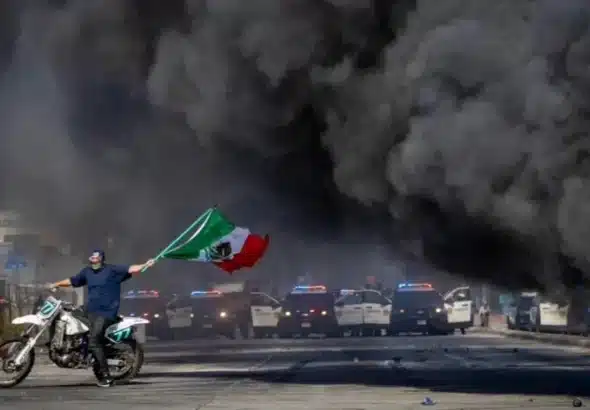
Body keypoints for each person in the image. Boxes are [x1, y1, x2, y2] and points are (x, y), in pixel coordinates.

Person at [50, 250, 155, 387]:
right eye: (91, 257)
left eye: (96, 257)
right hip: (88, 310)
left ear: (101, 259)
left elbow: (131, 268)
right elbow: (72, 280)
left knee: (94, 341)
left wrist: (145, 265)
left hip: (106, 313)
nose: (93, 259)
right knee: (68, 318)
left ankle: (106, 376)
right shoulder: (87, 272)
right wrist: (55, 284)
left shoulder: (112, 270)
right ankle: (75, 350)